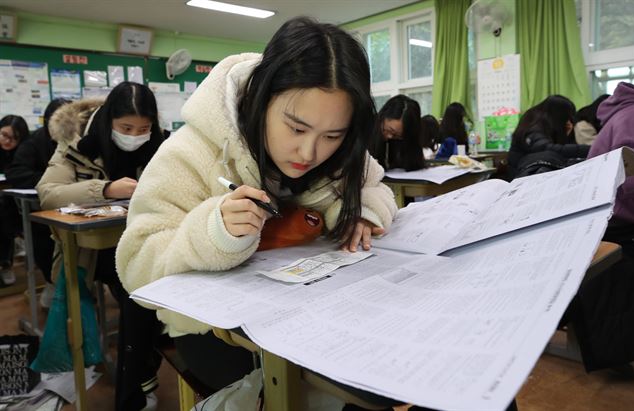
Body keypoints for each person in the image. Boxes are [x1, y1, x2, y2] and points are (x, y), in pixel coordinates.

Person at [115, 16, 398, 408]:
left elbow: (376, 186)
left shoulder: (341, 152)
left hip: (313, 312)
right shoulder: (191, 152)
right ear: (260, 98)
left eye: (332, 136)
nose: (310, 153)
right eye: (296, 129)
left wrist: (365, 211)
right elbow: (135, 268)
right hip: (214, 332)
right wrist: (212, 233)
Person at [36, 82, 167, 411]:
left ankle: (144, 370)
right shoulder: (77, 140)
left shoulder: (160, 143)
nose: (135, 135)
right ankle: (133, 389)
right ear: (109, 120)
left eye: (144, 128)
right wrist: (106, 189)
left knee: (161, 288)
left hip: (144, 241)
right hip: (93, 251)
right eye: (126, 128)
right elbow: (49, 191)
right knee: (138, 291)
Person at [565, 82, 634, 373]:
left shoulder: (624, 115)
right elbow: (632, 184)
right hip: (618, 220)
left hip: (610, 215)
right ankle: (618, 345)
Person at [6, 99, 70, 300]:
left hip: (76, 206)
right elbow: (16, 172)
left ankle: (79, 287)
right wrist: (51, 182)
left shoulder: (79, 139)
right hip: (43, 210)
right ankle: (52, 283)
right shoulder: (34, 142)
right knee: (44, 239)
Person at [506, 95, 589, 180]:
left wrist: (566, 134)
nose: (568, 121)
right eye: (567, 118)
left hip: (528, 173)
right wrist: (590, 149)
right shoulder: (534, 126)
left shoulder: (539, 121)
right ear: (559, 115)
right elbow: (547, 150)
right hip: (521, 176)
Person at [0, 114, 30, 286]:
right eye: (4, 135)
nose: (7, 141)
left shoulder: (24, 152)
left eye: (13, 138)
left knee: (5, 215)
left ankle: (6, 264)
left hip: (13, 200)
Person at [370, 95, 424, 171]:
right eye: (388, 130)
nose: (389, 136)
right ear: (382, 117)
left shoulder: (408, 143)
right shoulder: (366, 132)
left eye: (397, 136)